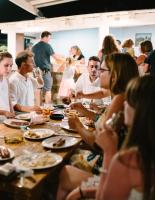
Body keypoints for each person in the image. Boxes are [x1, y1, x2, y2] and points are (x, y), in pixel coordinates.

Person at [57, 53, 139, 200]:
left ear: (115, 75)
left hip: (107, 166)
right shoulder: (120, 95)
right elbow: (103, 119)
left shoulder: (119, 99)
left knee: (63, 168)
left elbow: (98, 143)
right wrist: (86, 111)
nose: (99, 73)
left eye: (102, 70)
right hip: (111, 162)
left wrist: (77, 126)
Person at [96, 75, 155, 200]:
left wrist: (109, 152)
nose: (124, 103)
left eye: (128, 100)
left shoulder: (129, 160)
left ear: (141, 110)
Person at [32, 31, 64, 103]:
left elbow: (33, 59)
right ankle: (47, 108)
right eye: (49, 38)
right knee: (48, 90)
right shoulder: (47, 46)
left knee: (38, 89)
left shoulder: (34, 47)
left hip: (36, 71)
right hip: (45, 70)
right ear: (45, 37)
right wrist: (65, 61)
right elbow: (56, 57)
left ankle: (38, 107)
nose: (49, 39)